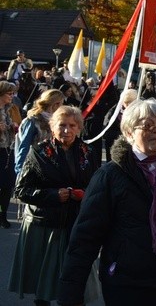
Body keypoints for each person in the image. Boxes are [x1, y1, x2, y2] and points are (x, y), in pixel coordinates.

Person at [58, 99, 156, 305]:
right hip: (124, 281)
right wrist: (70, 294)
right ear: (129, 132)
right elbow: (85, 237)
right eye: (148, 125)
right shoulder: (110, 175)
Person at [9, 106, 99, 304]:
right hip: (45, 224)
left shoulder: (89, 152)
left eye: (72, 125)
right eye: (62, 125)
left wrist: (85, 194)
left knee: (76, 276)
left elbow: (96, 185)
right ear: (52, 127)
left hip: (76, 222)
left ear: (79, 128)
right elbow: (21, 189)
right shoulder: (39, 152)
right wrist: (53, 195)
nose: (66, 130)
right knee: (44, 279)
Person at [14, 89, 66, 175]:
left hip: (52, 167)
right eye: (61, 103)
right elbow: (24, 147)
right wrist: (20, 171)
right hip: (34, 166)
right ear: (54, 104)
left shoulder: (58, 121)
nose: (62, 107)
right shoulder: (32, 121)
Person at [0, 81, 18, 228]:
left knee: (7, 184)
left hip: (7, 149)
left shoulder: (7, 109)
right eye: (9, 93)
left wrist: (12, 126)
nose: (12, 96)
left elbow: (11, 125)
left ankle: (3, 215)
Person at [102, 89, 138, 162]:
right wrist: (124, 135)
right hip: (117, 149)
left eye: (133, 103)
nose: (130, 106)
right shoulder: (113, 113)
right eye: (128, 103)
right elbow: (106, 133)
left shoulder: (136, 111)